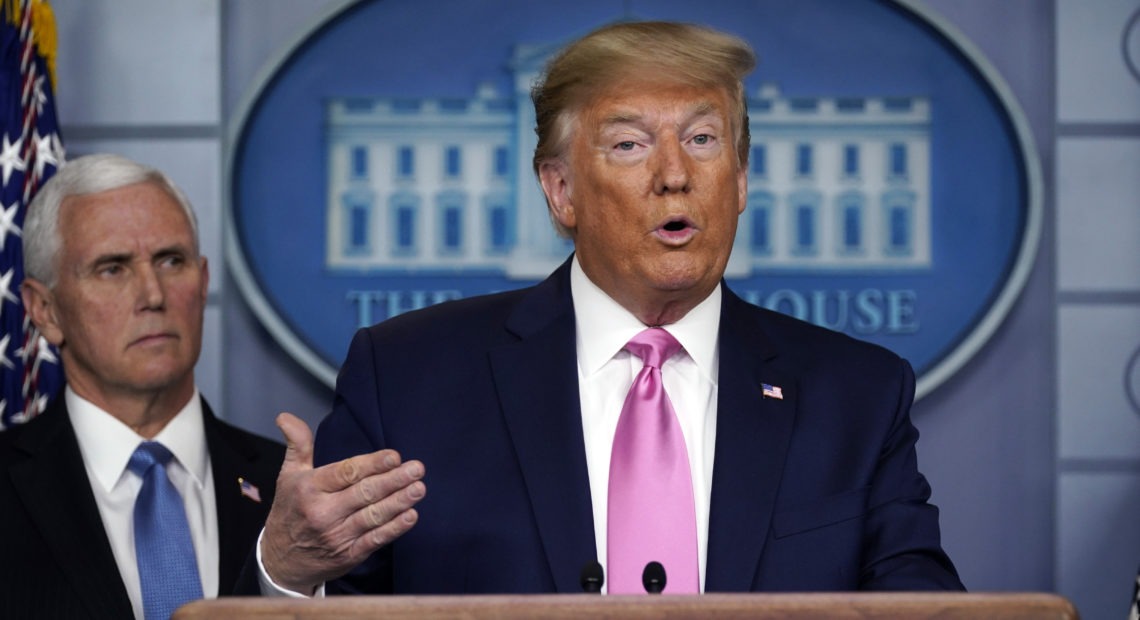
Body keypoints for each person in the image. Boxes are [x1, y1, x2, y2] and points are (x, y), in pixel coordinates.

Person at [254, 21, 964, 596]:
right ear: (560, 191)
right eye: (629, 144)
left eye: (702, 139)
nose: (675, 175)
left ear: (741, 179)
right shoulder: (410, 376)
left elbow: (920, 602)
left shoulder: (856, 395)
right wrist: (288, 571)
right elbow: (341, 599)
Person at [0, 154, 285, 619]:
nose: (153, 295)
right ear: (45, 311)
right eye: (112, 268)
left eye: (172, 261)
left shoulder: (288, 491)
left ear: (204, 279)